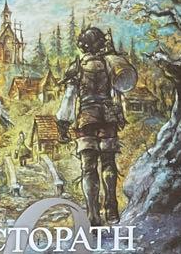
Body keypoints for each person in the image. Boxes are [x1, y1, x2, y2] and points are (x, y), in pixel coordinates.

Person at [58, 26, 137, 226]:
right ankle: (111, 206)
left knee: (88, 168)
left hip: (86, 120)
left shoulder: (77, 67)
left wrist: (63, 123)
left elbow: (69, 98)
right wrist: (120, 115)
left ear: (83, 46)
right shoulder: (110, 64)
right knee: (109, 162)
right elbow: (118, 93)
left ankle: (93, 214)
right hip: (108, 119)